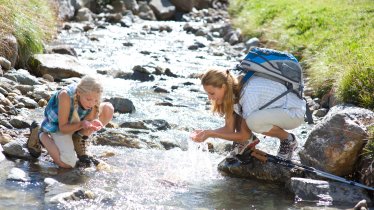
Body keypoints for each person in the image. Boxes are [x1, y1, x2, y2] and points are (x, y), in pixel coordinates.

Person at [190, 68, 306, 160]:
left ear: (223, 87)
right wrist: (206, 132)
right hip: (277, 112)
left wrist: (211, 134)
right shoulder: (231, 95)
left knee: (253, 122)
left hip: (294, 113)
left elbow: (244, 134)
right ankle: (247, 142)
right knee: (249, 119)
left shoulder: (248, 93)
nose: (210, 98)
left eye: (211, 93)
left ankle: (288, 140)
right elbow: (228, 129)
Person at [27, 75, 114, 168]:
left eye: (95, 100)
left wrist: (92, 121)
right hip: (58, 125)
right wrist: (82, 124)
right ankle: (40, 134)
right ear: (79, 92)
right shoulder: (65, 95)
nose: (92, 103)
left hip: (76, 122)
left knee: (108, 108)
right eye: (88, 99)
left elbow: (93, 109)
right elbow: (63, 128)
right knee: (68, 164)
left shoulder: (92, 97)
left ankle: (78, 138)